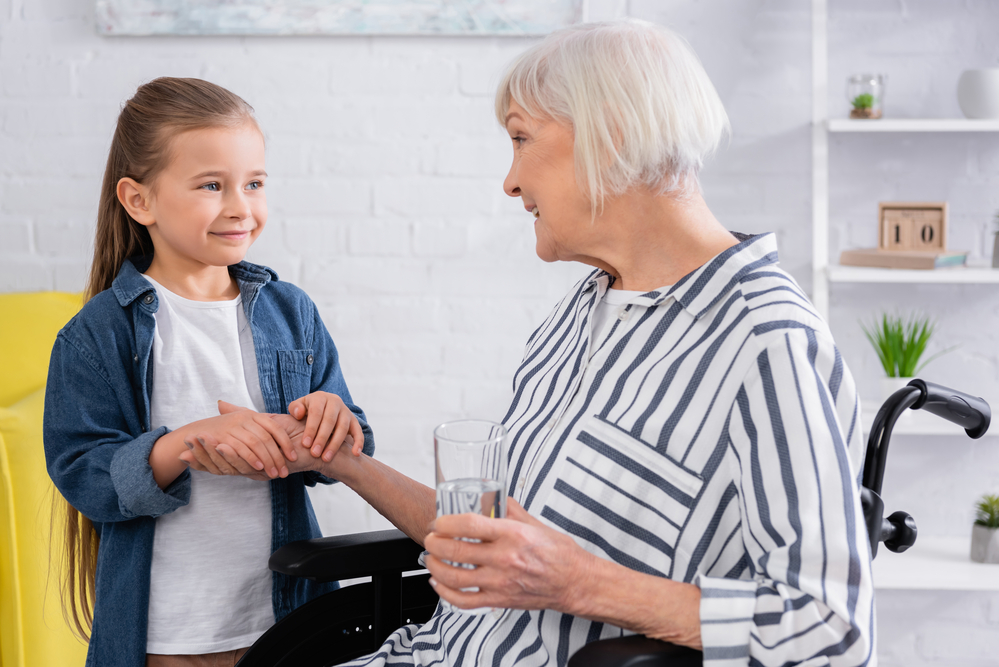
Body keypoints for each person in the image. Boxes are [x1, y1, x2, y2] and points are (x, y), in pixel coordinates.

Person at [195, 19, 876, 667]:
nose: (510, 181)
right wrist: (342, 461)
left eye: (521, 139)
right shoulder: (579, 314)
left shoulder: (766, 342)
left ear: (611, 136)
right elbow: (492, 539)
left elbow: (828, 627)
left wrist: (580, 583)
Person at [43, 77, 373, 667]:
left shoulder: (291, 312)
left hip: (284, 619)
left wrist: (334, 419)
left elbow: (352, 443)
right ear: (139, 200)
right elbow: (82, 473)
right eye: (212, 185)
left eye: (254, 183)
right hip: (166, 635)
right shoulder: (97, 334)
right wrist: (185, 444)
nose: (240, 206)